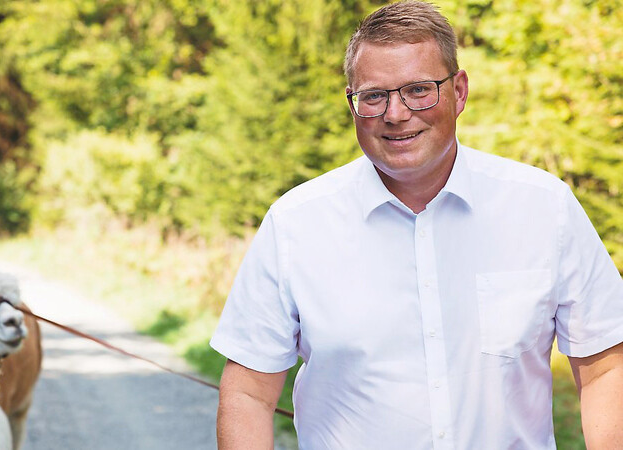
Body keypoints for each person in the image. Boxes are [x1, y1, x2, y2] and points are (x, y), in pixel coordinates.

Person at [209, 1, 623, 448]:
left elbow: (605, 368)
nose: (396, 113)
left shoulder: (544, 208)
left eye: (419, 89)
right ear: (352, 105)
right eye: (374, 96)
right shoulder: (295, 224)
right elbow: (249, 392)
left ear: (459, 91)